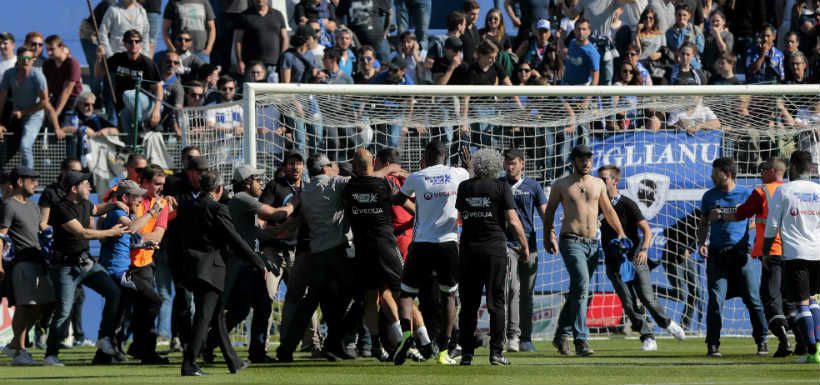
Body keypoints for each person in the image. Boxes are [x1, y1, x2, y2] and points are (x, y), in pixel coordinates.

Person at [174, 170, 271, 376]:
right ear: (218, 189)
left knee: (216, 316)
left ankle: (233, 361)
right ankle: (189, 363)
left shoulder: (187, 206)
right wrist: (258, 262)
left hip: (191, 267)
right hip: (211, 269)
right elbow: (234, 239)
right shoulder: (217, 208)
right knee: (203, 316)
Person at [544, 144, 627, 356]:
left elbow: (608, 210)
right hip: (570, 240)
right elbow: (550, 212)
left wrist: (621, 232)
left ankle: (561, 335)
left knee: (579, 291)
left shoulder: (598, 183)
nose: (586, 162)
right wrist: (548, 236)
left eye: (589, 158)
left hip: (592, 244)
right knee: (581, 286)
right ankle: (581, 340)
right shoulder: (561, 184)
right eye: (582, 158)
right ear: (574, 161)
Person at [393, 140, 470, 366]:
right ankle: (445, 350)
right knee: (449, 295)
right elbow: (473, 179)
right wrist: (469, 165)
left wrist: (391, 193)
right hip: (448, 243)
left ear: (425, 156)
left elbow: (398, 199)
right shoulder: (459, 173)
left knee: (407, 294)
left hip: (421, 244)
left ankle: (407, 336)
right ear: (445, 156)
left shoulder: (417, 176)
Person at [208, 164, 293, 364]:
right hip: (242, 265)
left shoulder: (243, 201)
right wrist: (296, 202)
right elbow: (276, 214)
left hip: (249, 264)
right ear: (247, 183)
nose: (261, 183)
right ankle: (208, 343)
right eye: (258, 179)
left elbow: (257, 233)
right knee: (243, 309)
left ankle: (216, 345)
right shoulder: (242, 199)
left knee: (256, 307)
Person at [708, 158, 793, 357]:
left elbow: (742, 213)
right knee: (795, 299)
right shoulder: (793, 190)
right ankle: (804, 343)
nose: (760, 173)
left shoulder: (761, 191)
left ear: (772, 171)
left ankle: (782, 339)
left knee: (768, 298)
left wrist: (721, 215)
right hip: (796, 252)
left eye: (763, 169)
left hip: (772, 251)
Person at [43, 171, 127, 366]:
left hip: (86, 264)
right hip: (65, 267)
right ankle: (51, 354)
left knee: (114, 293)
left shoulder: (85, 204)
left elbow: (96, 209)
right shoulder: (61, 208)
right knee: (64, 311)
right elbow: (82, 233)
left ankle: (104, 338)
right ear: (74, 188)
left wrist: (113, 204)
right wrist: (111, 232)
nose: (90, 188)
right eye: (86, 184)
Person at [597, 165, 686, 351]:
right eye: (599, 179)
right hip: (614, 261)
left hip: (634, 259)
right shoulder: (597, 205)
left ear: (615, 181)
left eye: (604, 179)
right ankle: (647, 336)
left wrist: (644, 250)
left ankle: (667, 323)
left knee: (646, 297)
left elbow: (646, 231)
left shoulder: (627, 204)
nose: (600, 183)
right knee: (628, 303)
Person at [456, 149, 529, 366]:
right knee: (496, 302)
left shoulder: (465, 186)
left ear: (477, 166)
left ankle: (467, 352)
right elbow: (514, 221)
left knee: (468, 303)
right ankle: (496, 352)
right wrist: (524, 245)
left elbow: (461, 214)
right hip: (494, 251)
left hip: (468, 250)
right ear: (497, 165)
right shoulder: (501, 186)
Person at [342, 148, 414, 362]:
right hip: (386, 245)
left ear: (355, 167)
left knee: (370, 296)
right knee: (403, 291)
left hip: (363, 247)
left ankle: (375, 344)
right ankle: (407, 337)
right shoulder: (385, 184)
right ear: (373, 162)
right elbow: (406, 204)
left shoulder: (349, 188)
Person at [697, 157, 769, 358]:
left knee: (753, 300)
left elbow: (757, 219)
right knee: (715, 301)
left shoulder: (747, 194)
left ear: (727, 174)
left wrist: (743, 228)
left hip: (740, 255)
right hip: (717, 255)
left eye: (715, 172)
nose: (712, 176)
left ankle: (762, 340)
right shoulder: (709, 197)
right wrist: (702, 242)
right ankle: (713, 345)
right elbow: (703, 223)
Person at [763, 150, 820, 364]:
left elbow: (773, 226)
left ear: (793, 167)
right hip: (818, 252)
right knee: (813, 300)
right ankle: (817, 349)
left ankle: (812, 351)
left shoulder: (785, 190)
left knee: (801, 304)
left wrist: (767, 251)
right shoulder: (818, 190)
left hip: (796, 254)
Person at [0, 167, 54, 366]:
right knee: (25, 306)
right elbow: (1, 236)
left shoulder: (33, 207)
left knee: (47, 303)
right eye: (32, 180)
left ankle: (14, 345)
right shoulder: (8, 205)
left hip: (39, 261)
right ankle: (21, 351)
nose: (36, 183)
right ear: (20, 182)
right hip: (21, 263)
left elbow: (41, 230)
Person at [500, 148, 546, 353]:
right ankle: (512, 336)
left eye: (513, 162)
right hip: (507, 244)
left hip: (530, 244)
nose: (510, 166)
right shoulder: (499, 185)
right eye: (507, 162)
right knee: (512, 290)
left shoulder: (533, 186)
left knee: (527, 292)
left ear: (522, 164)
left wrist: (550, 235)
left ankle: (526, 337)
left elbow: (545, 214)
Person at [95, 29, 163, 144]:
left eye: (137, 41)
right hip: (126, 107)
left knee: (128, 94)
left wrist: (156, 110)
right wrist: (99, 57)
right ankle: (134, 149)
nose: (133, 44)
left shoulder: (147, 63)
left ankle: (141, 126)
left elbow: (158, 88)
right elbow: (98, 74)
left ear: (141, 43)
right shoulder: (118, 58)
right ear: (124, 43)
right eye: (130, 41)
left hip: (145, 104)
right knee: (128, 137)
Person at [0, 46, 62, 169]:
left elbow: (45, 102)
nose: (26, 60)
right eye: (23, 58)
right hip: (16, 116)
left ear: (33, 59)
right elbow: (1, 100)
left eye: (29, 58)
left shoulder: (38, 76)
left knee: (25, 145)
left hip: (34, 116)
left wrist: (23, 113)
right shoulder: (9, 74)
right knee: (6, 148)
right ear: (18, 58)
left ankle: (29, 179)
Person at [235, 0, 289, 77]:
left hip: (273, 64)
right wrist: (239, 61)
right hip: (252, 65)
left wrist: (282, 59)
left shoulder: (278, 15)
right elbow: (238, 40)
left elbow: (285, 38)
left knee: (271, 88)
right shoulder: (244, 15)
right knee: (251, 88)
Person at [43, 35, 83, 127]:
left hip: (72, 100)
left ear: (61, 47)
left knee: (66, 126)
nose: (49, 53)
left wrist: (56, 113)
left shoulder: (72, 63)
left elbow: (67, 90)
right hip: (55, 97)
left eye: (52, 49)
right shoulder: (47, 64)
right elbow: (46, 88)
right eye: (47, 49)